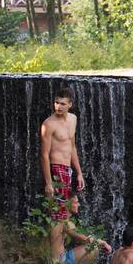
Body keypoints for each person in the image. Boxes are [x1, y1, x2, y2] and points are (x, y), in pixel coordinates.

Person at [40, 87, 85, 221]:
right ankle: (54, 242)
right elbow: (44, 155)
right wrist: (48, 182)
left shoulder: (73, 119)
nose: (58, 106)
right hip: (55, 170)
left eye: (62, 104)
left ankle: (59, 242)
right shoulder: (48, 124)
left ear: (70, 104)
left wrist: (79, 173)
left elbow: (72, 147)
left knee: (64, 212)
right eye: (56, 102)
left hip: (67, 170)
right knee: (56, 213)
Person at [48, 195, 111, 264]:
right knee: (93, 248)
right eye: (76, 202)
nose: (79, 204)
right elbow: (85, 239)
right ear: (66, 204)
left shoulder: (55, 217)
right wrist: (103, 243)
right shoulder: (64, 223)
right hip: (59, 263)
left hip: (55, 258)